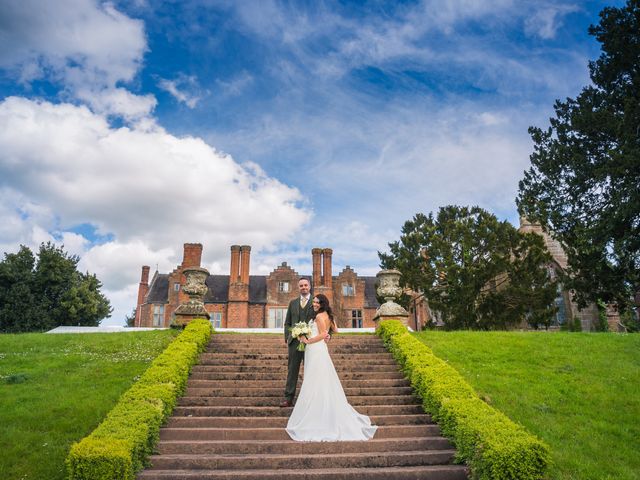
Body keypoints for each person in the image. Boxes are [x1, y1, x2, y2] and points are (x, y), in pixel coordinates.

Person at [286, 294, 377, 441]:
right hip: (320, 349)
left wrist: (307, 340)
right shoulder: (328, 315)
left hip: (315, 349)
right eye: (314, 301)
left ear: (322, 303)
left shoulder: (319, 317)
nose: (314, 304)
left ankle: (316, 411)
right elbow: (335, 330)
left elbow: (322, 334)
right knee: (321, 378)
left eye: (317, 302)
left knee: (314, 379)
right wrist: (326, 335)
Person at [280, 278, 314, 408]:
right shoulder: (292, 303)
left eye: (306, 285)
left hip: (311, 343)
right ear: (298, 288)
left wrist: (327, 335)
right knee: (292, 370)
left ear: (309, 286)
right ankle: (288, 398)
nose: (303, 287)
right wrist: (287, 337)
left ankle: (310, 399)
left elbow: (325, 319)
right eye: (301, 286)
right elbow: (287, 322)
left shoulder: (316, 302)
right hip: (294, 342)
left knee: (310, 370)